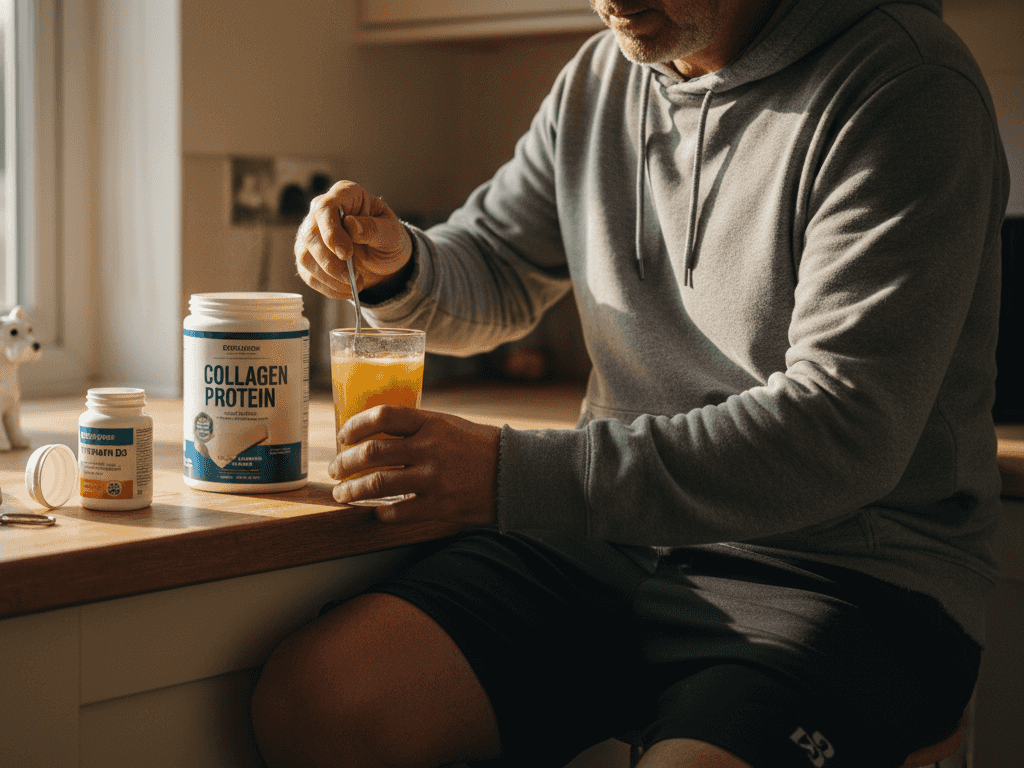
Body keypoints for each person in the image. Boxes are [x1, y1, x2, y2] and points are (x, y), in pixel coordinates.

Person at [251, 0, 1008, 766]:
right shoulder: (601, 76)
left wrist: (507, 472)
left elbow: (842, 431)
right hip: (613, 541)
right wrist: (401, 263)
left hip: (842, 572)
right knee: (317, 700)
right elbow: (498, 260)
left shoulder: (907, 84)